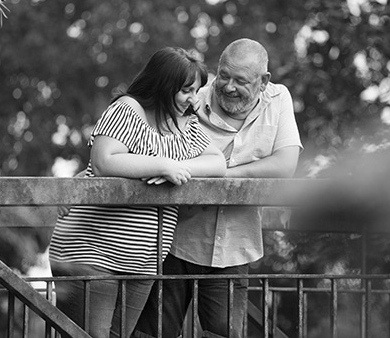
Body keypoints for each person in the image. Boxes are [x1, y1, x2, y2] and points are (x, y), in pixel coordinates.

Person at [48, 47, 227, 338]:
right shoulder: (128, 109)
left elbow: (217, 163)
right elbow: (105, 160)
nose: (193, 99)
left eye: (196, 91)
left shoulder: (184, 124)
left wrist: (178, 167)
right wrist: (161, 165)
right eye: (186, 90)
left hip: (143, 262)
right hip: (93, 253)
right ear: (164, 85)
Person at [133, 38, 302, 338]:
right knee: (154, 331)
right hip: (174, 239)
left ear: (264, 81)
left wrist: (225, 177)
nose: (228, 86)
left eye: (241, 81)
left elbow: (285, 165)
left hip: (235, 246)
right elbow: (139, 131)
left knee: (225, 334)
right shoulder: (191, 94)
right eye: (224, 75)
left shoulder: (279, 100)